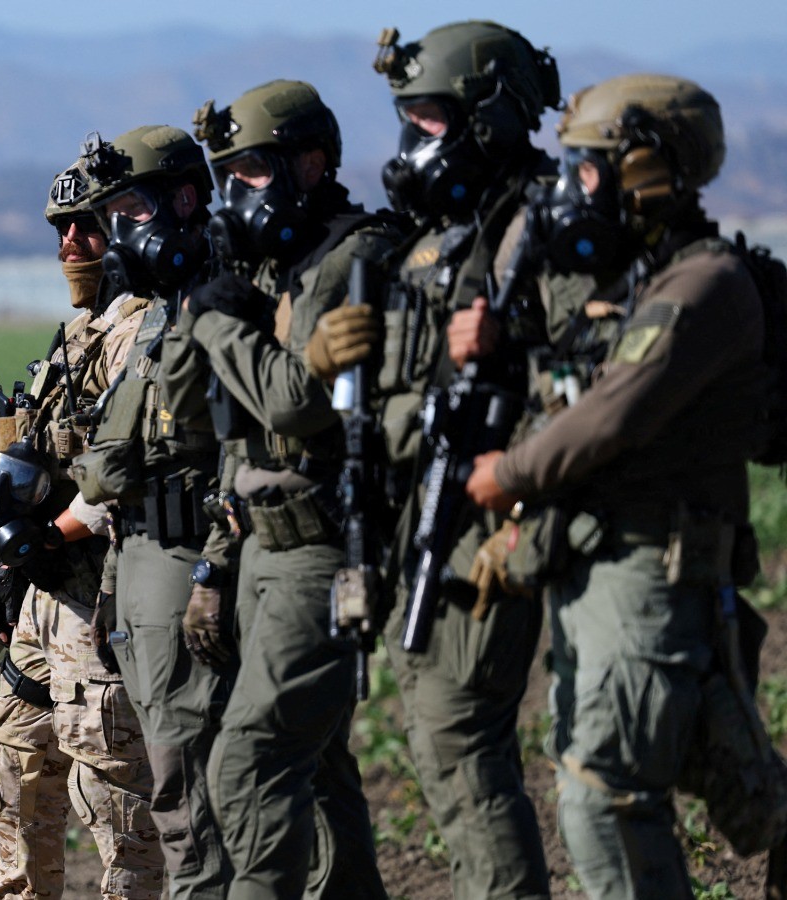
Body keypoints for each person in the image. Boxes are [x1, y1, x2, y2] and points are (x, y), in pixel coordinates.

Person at [463, 73, 778, 900]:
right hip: (601, 571)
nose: (575, 189)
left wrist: (508, 475)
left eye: (590, 168)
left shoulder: (704, 284)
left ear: (648, 169)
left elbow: (610, 417)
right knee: (700, 776)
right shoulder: (636, 283)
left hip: (653, 576)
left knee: (606, 798)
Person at [306, 21, 565, 899]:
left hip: (492, 518)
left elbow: (595, 374)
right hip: (417, 515)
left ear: (489, 117)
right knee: (440, 736)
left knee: (460, 735)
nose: (413, 138)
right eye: (406, 119)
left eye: (430, 118)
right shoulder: (428, 238)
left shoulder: (544, 222)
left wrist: (510, 344)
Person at [188, 80, 397, 899]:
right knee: (320, 769)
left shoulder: (354, 256)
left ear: (311, 163)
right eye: (227, 175)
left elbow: (293, 402)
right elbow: (236, 439)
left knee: (250, 764)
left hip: (321, 548)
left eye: (253, 170)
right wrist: (216, 562)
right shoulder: (275, 268)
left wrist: (213, 319)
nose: (237, 193)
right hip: (260, 546)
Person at [0, 157, 163, 900]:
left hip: (102, 595)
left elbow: (133, 472)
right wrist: (11, 568)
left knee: (112, 796)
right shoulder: (80, 332)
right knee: (10, 772)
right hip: (46, 595)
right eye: (61, 229)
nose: (70, 243)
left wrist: (50, 537)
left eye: (87, 226)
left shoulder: (146, 329)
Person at [72, 125, 233, 899]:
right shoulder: (156, 316)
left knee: (191, 788)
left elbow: (246, 456)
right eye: (111, 217)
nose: (117, 235)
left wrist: (213, 572)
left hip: (188, 560)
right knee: (172, 789)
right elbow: (123, 468)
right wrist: (112, 583)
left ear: (186, 199)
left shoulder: (221, 302)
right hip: (139, 565)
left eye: (131, 211)